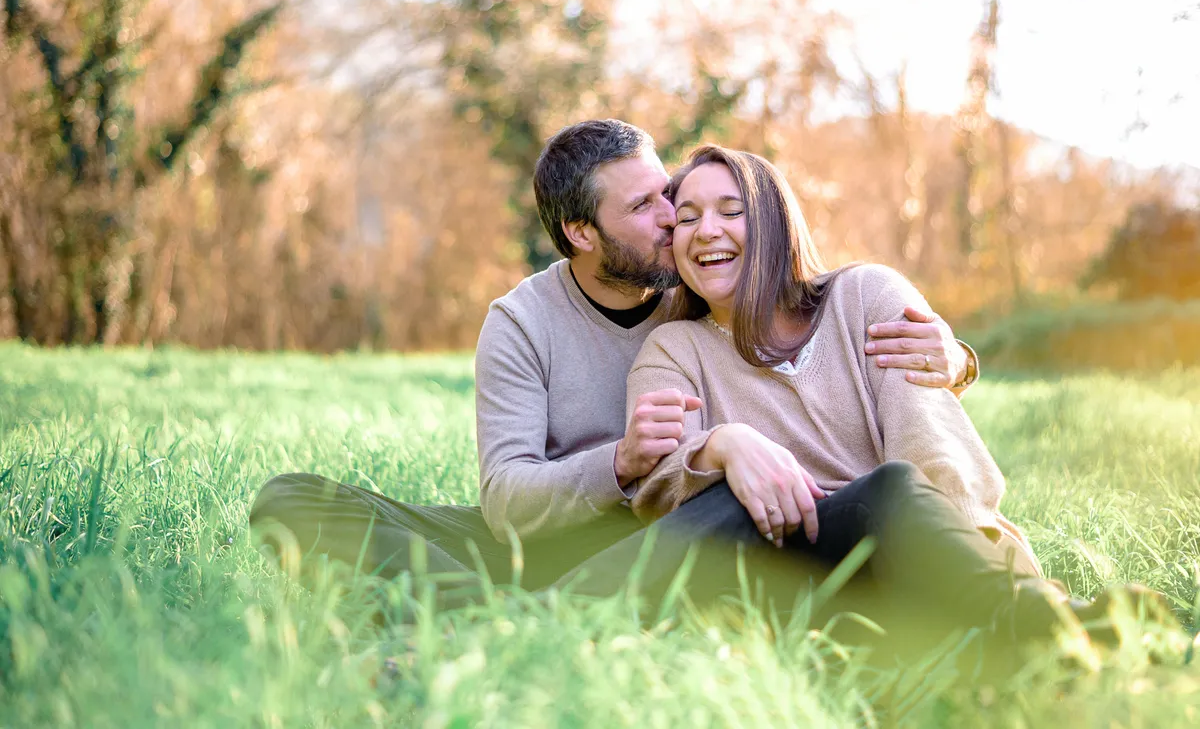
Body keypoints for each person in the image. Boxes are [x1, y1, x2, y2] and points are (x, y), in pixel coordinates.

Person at [248, 120, 978, 608]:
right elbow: (506, 500)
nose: (675, 219)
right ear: (580, 232)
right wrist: (622, 462)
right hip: (562, 533)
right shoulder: (522, 323)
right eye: (648, 207)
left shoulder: (702, 292)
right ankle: (517, 601)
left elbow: (816, 308)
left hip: (699, 526)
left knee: (723, 511)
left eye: (669, 194)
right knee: (292, 499)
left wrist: (954, 357)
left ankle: (489, 611)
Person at [554, 143, 1170, 649]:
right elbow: (662, 487)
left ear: (771, 222)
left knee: (899, 490)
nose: (705, 230)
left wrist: (967, 549)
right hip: (795, 567)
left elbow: (932, 444)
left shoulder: (865, 297)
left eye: (730, 210)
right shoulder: (673, 350)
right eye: (685, 217)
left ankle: (1047, 627)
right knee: (891, 492)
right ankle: (1060, 629)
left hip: (924, 553)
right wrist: (721, 444)